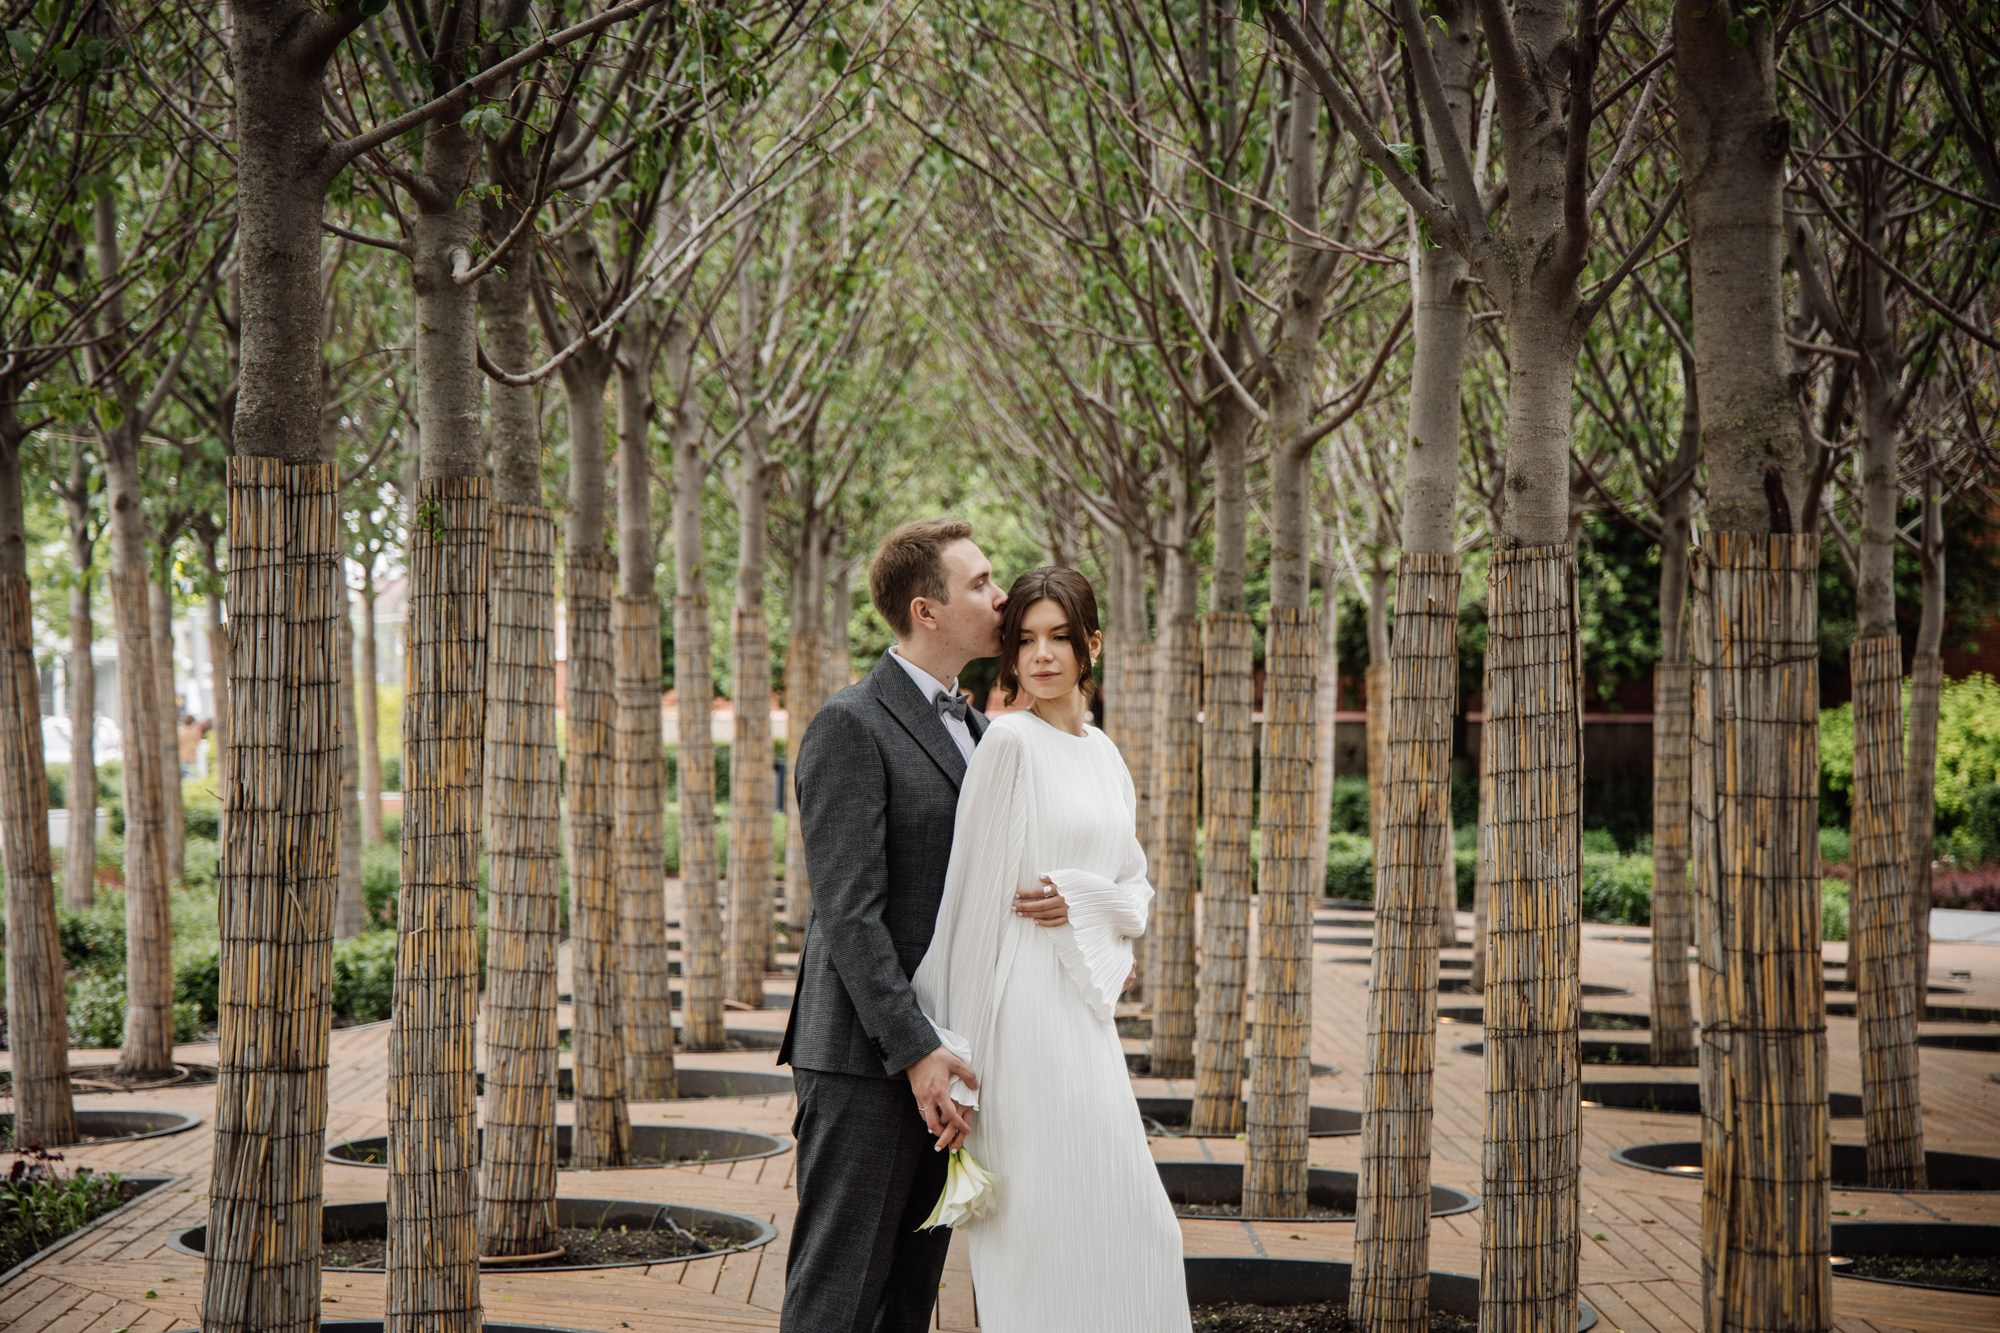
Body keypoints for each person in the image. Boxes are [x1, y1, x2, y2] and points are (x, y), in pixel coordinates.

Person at [912, 565, 1190, 1332]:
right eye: (1026, 638)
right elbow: (970, 911)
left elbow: (1135, 889)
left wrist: (1086, 902)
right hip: (1020, 1016)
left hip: (1085, 1021)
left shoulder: (1104, 753)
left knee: (1142, 1230)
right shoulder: (1008, 745)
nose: (1041, 654)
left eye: (1059, 638)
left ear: (1090, 644)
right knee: (1041, 1241)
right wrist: (960, 1068)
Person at [779, 517, 1008, 1333]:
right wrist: (916, 1050)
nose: (1000, 593)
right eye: (980, 581)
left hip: (949, 1055)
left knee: (907, 1299)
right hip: (866, 1058)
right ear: (927, 610)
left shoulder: (981, 729)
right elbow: (848, 912)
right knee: (837, 1294)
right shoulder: (851, 723)